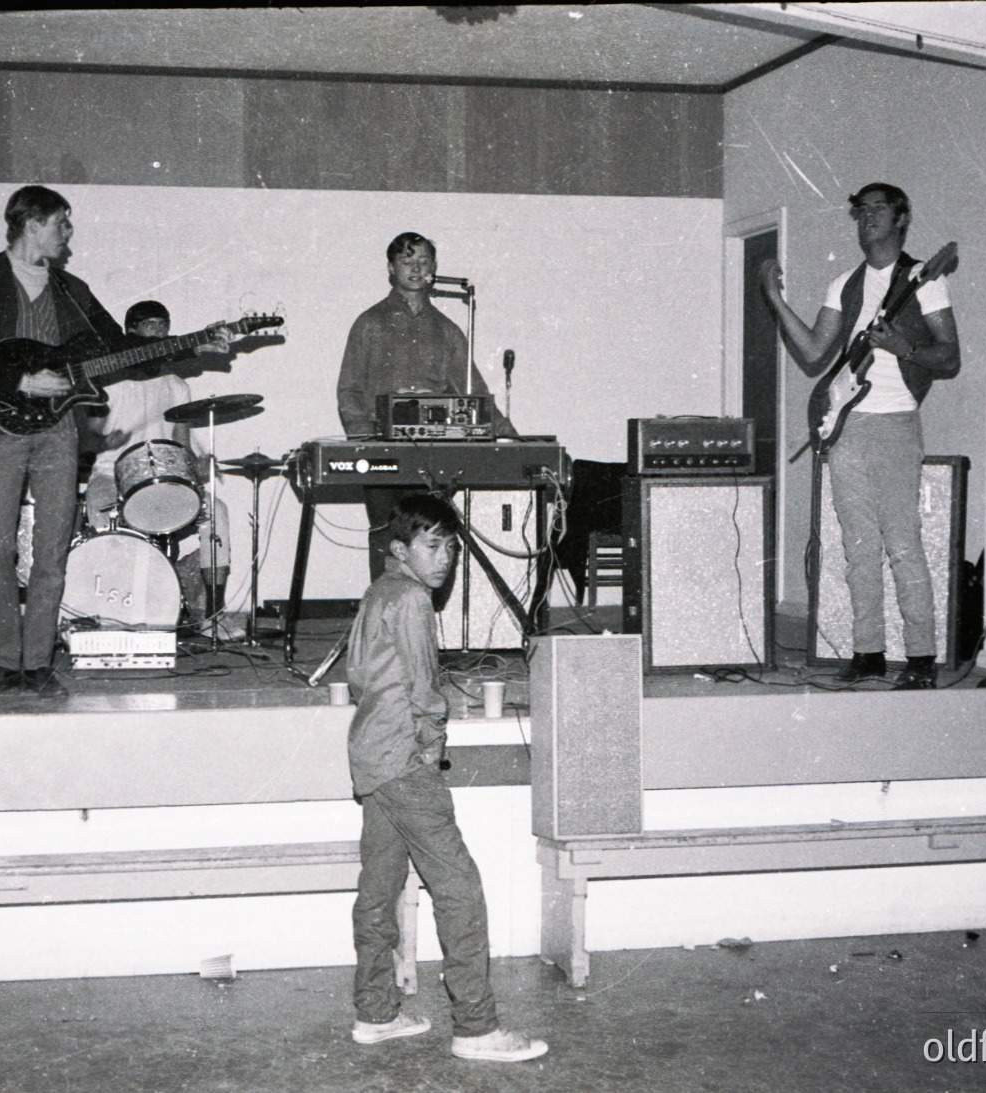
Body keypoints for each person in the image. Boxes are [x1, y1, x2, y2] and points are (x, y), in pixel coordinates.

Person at [344, 492, 548, 1063]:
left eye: (452, 547)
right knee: (460, 889)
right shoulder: (411, 599)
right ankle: (477, 1028)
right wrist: (430, 748)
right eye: (432, 546)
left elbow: (361, 678)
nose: (445, 559)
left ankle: (376, 1014)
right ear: (400, 548)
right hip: (403, 762)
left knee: (379, 889)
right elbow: (424, 690)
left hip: (371, 757)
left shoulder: (379, 591)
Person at [757, 182, 961, 690]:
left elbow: (950, 357)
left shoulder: (923, 280)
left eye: (878, 209)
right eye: (860, 210)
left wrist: (904, 348)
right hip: (845, 424)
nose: (867, 217)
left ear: (901, 219)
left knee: (904, 544)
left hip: (894, 423)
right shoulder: (844, 283)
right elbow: (812, 353)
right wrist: (774, 298)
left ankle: (920, 658)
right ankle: (867, 651)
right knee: (857, 547)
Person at [0, 185, 134, 698]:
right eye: (60, 224)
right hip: (1, 429)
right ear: (32, 223)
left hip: (58, 432)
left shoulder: (72, 289)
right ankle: (7, 662)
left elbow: (119, 346)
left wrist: (196, 340)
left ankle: (38, 662)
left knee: (51, 554)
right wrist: (20, 382)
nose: (66, 236)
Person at [337, 232, 514, 580]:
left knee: (433, 537)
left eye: (424, 261)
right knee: (387, 538)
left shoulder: (448, 331)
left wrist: (512, 439)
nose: (416, 268)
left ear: (434, 268)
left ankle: (427, 623)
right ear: (391, 268)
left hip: (434, 454)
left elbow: (474, 394)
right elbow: (349, 389)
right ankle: (386, 625)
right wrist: (365, 440)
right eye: (407, 261)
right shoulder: (369, 324)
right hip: (382, 451)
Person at [84, 300, 232, 623]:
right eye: (150, 326)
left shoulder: (178, 387)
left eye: (164, 326)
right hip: (112, 475)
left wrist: (199, 464)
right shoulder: (108, 383)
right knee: (99, 514)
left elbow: (181, 447)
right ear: (131, 334)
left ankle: (213, 615)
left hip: (164, 479)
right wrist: (104, 442)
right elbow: (88, 438)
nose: (160, 332)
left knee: (216, 512)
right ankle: (110, 612)